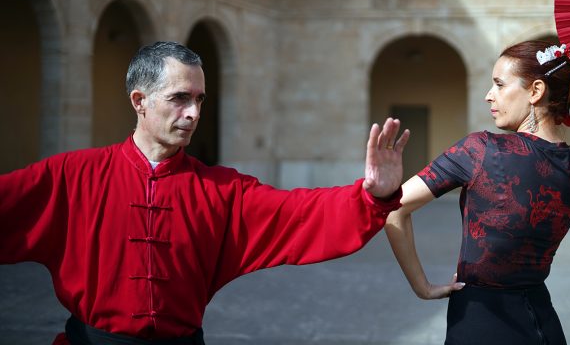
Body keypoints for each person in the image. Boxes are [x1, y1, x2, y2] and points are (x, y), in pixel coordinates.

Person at [0, 41, 410, 344]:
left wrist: (372, 197)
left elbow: (300, 213)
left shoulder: (222, 190)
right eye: (179, 99)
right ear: (139, 101)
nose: (193, 113)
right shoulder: (72, 175)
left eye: (199, 99)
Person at [385, 0, 570, 345]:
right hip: (542, 321)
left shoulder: (480, 149)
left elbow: (394, 209)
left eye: (498, 84)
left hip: (479, 322)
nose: (488, 95)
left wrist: (422, 286)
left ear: (535, 91)